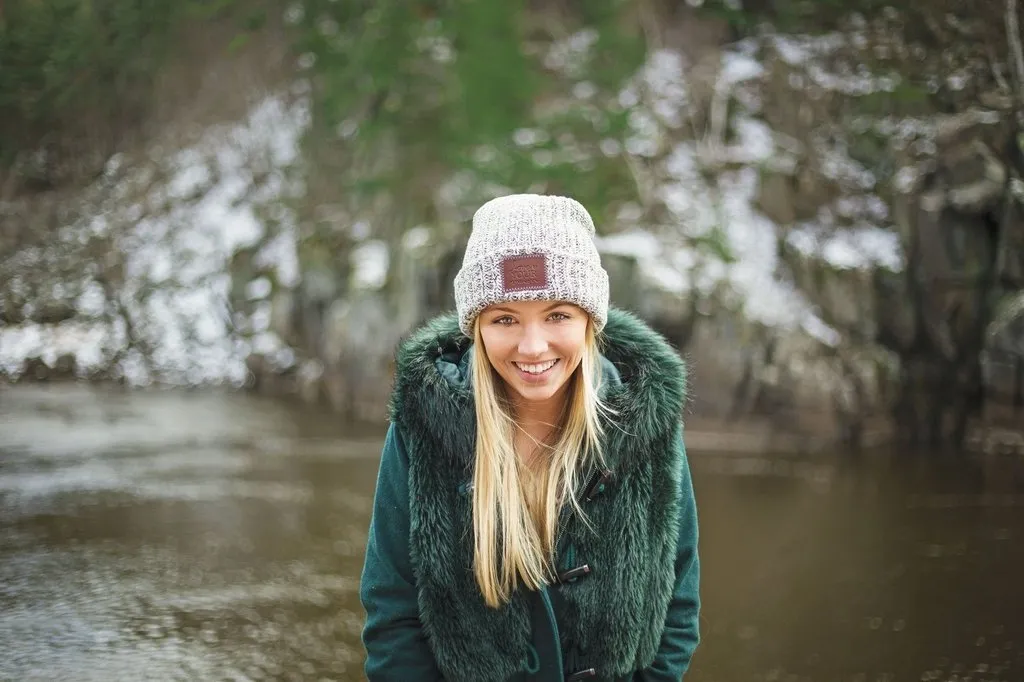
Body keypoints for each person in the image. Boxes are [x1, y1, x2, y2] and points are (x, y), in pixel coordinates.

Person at [360, 194, 700, 682]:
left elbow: (677, 604)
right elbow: (394, 614)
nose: (533, 346)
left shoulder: (644, 420)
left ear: (589, 320)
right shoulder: (424, 424)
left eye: (558, 315)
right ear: (476, 326)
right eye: (505, 319)